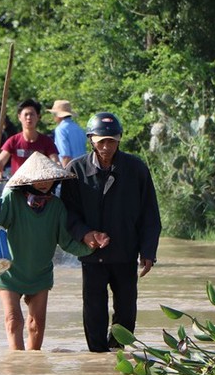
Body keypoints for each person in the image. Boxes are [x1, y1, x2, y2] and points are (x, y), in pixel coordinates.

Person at [60, 112, 162, 352]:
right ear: (91, 140)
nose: (106, 146)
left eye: (111, 141)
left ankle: (117, 358)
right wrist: (85, 234)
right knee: (94, 311)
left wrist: (148, 252)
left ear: (119, 140)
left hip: (125, 253)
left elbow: (150, 214)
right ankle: (97, 360)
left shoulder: (136, 169)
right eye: (101, 141)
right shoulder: (76, 170)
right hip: (91, 255)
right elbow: (68, 213)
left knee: (126, 311)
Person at [0, 152, 95, 350]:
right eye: (39, 177)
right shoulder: (13, 198)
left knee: (37, 325)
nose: (44, 182)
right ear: (28, 179)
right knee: (13, 320)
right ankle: (17, 368)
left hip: (40, 273)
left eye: (48, 177)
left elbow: (66, 242)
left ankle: (33, 372)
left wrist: (91, 248)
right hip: (9, 271)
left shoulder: (57, 206)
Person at [0, 98, 59, 175]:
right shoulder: (13, 141)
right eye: (26, 114)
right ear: (19, 117)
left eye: (32, 114)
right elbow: (1, 160)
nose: (29, 117)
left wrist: (58, 165)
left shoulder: (47, 141)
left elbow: (55, 160)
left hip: (40, 184)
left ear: (38, 117)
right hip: (18, 184)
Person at [47, 100, 87, 167]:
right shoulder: (79, 128)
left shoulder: (60, 129)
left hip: (71, 168)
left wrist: (65, 174)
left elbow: (65, 156)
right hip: (84, 167)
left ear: (59, 115)